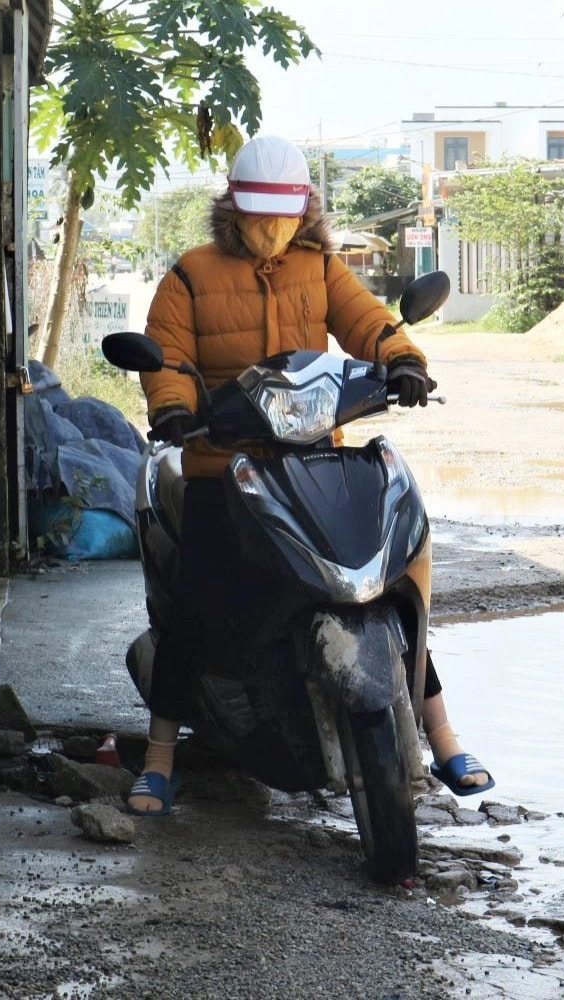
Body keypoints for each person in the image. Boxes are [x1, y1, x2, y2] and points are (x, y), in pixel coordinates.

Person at [126, 135, 493, 816]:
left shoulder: (321, 268)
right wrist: (173, 409)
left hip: (311, 459)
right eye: (257, 216)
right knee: (195, 607)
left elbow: (369, 321)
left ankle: (443, 737)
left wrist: (402, 360)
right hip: (222, 465)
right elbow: (166, 357)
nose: (269, 230)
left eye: (282, 217)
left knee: (381, 588)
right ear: (231, 209)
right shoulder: (190, 274)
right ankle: (158, 757)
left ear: (304, 212)